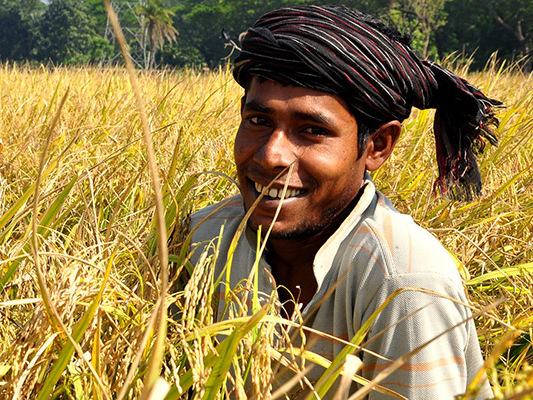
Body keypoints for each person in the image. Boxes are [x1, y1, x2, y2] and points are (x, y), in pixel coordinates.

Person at [186, 5, 500, 399]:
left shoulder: (404, 284)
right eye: (259, 121)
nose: (271, 156)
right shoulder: (203, 238)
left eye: (312, 130)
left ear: (377, 145)